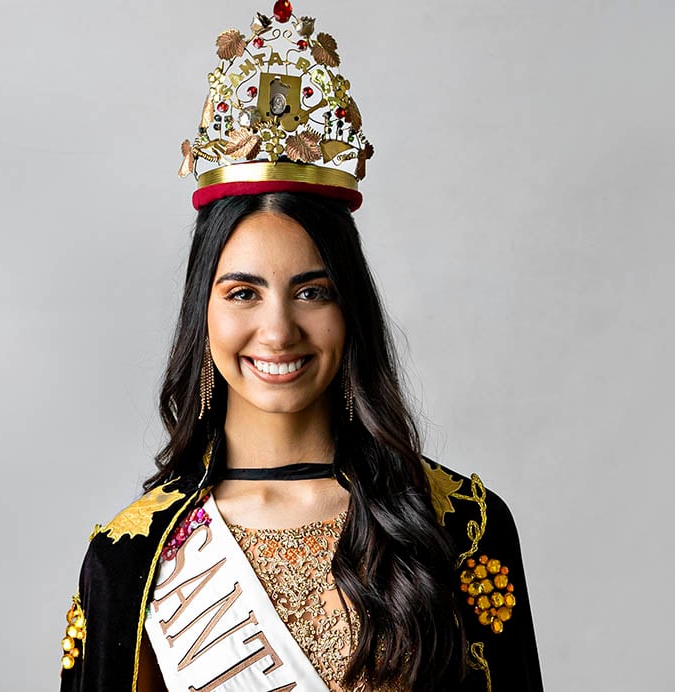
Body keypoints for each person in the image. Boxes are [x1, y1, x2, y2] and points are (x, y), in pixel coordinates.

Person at [57, 4, 542, 690]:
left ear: (352, 312)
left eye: (311, 292)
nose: (278, 330)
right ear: (203, 314)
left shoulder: (460, 526)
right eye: (243, 293)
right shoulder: (132, 556)